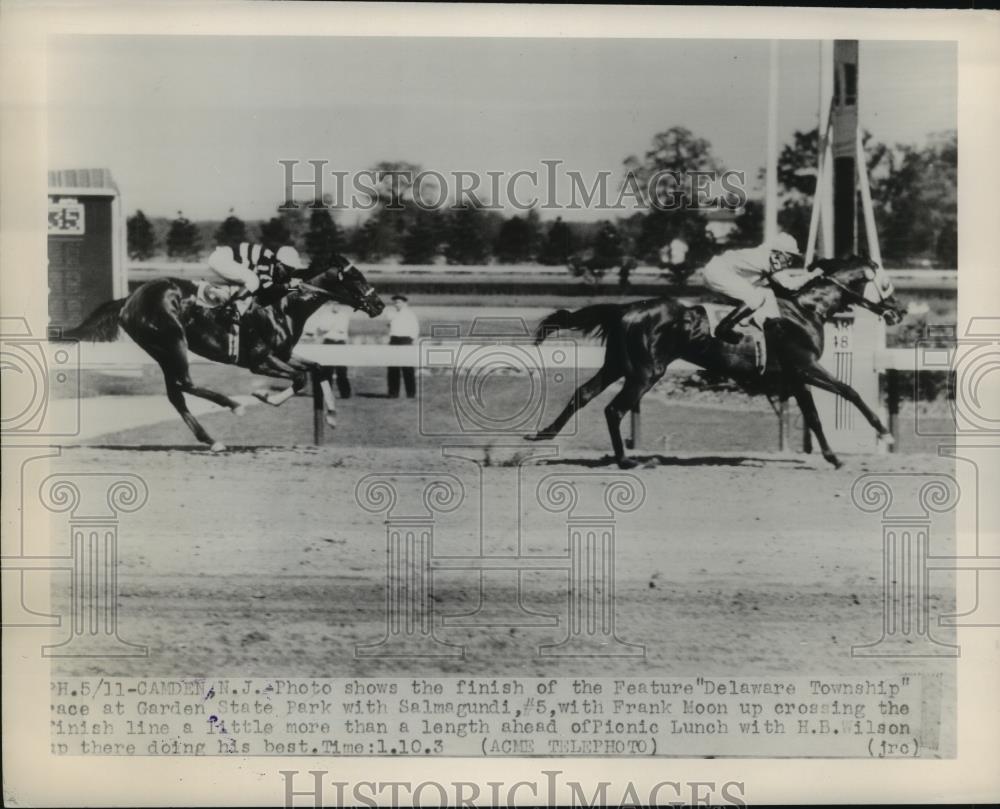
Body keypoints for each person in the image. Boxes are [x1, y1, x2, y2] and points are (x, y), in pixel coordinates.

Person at [700, 231, 803, 343]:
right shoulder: (772, 257)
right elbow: (789, 284)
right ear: (780, 252)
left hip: (717, 269)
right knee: (755, 298)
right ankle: (724, 328)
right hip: (718, 271)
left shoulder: (764, 254)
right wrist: (814, 274)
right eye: (789, 257)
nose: (790, 262)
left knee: (761, 294)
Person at [206, 242, 304, 317]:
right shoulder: (267, 260)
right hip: (220, 258)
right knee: (253, 281)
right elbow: (268, 289)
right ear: (280, 263)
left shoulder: (273, 263)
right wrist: (290, 286)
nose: (288, 273)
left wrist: (294, 289)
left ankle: (233, 306)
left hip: (223, 258)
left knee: (253, 284)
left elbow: (277, 289)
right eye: (288, 269)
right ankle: (233, 310)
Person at [305, 301, 352, 398]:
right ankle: (327, 392)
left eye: (338, 304)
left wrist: (330, 327)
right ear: (331, 305)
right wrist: (331, 327)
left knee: (342, 369)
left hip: (340, 343)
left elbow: (341, 328)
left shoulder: (344, 316)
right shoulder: (325, 315)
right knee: (327, 370)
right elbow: (322, 328)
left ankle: (345, 393)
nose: (336, 306)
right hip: (328, 342)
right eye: (334, 304)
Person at [385, 294, 418, 398]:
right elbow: (390, 326)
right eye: (395, 302)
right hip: (394, 340)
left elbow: (415, 328)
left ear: (404, 303)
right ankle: (393, 393)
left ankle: (411, 393)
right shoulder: (391, 314)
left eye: (399, 302)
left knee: (407, 367)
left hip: (405, 340)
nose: (397, 304)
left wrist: (411, 340)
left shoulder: (410, 314)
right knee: (393, 367)